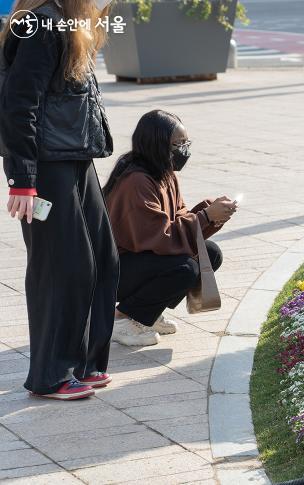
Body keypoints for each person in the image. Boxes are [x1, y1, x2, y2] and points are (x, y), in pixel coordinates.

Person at [0, 0, 118, 400]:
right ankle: (52, 374)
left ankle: (84, 363)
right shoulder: (37, 24)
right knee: (64, 266)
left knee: (102, 258)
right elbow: (19, 103)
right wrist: (23, 179)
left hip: (75, 156)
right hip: (45, 165)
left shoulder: (71, 23)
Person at [104, 110, 236, 346]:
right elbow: (160, 236)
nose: (184, 149)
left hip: (142, 258)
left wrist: (211, 214)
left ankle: (146, 315)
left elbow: (179, 218)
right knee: (184, 268)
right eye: (178, 144)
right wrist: (205, 216)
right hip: (113, 269)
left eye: (186, 142)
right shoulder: (136, 181)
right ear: (156, 144)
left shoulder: (164, 173)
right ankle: (122, 319)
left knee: (210, 252)